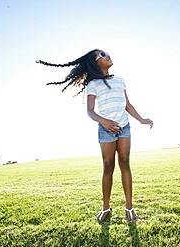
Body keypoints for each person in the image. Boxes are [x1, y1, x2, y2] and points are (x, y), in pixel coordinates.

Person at [35, 49, 153, 223]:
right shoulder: (93, 85)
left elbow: (127, 105)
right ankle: (106, 208)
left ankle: (129, 208)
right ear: (96, 62)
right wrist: (104, 122)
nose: (108, 55)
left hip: (124, 127)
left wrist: (142, 119)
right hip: (106, 129)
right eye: (102, 54)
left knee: (125, 164)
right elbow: (90, 111)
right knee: (108, 167)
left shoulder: (120, 81)